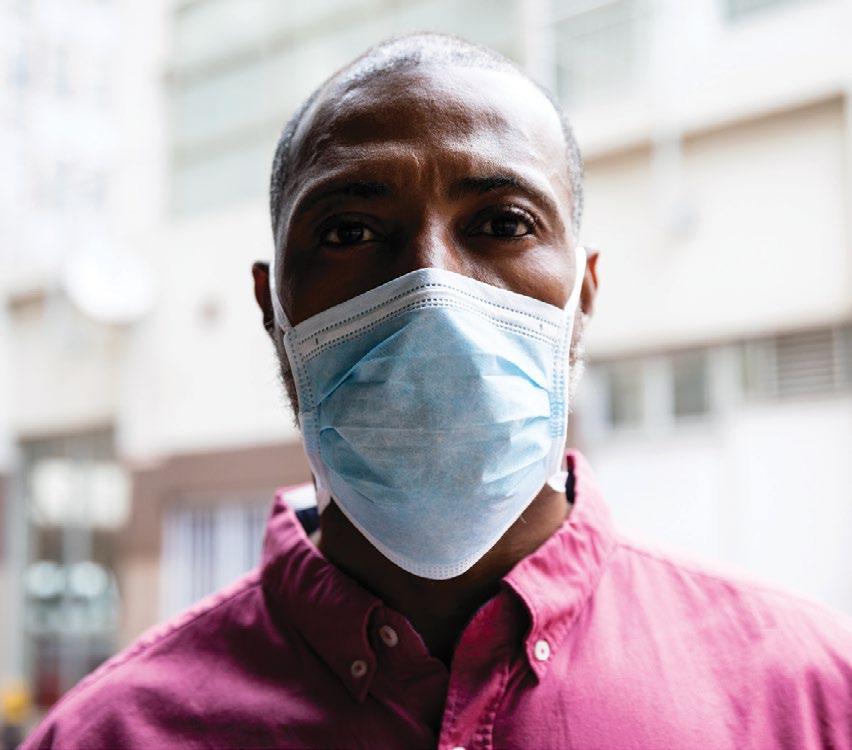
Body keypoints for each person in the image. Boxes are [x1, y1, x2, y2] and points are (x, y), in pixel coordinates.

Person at [22, 33, 852, 750]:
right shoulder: (109, 733)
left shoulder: (805, 694)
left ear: (584, 295)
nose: (431, 292)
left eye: (503, 224)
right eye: (349, 232)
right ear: (274, 311)